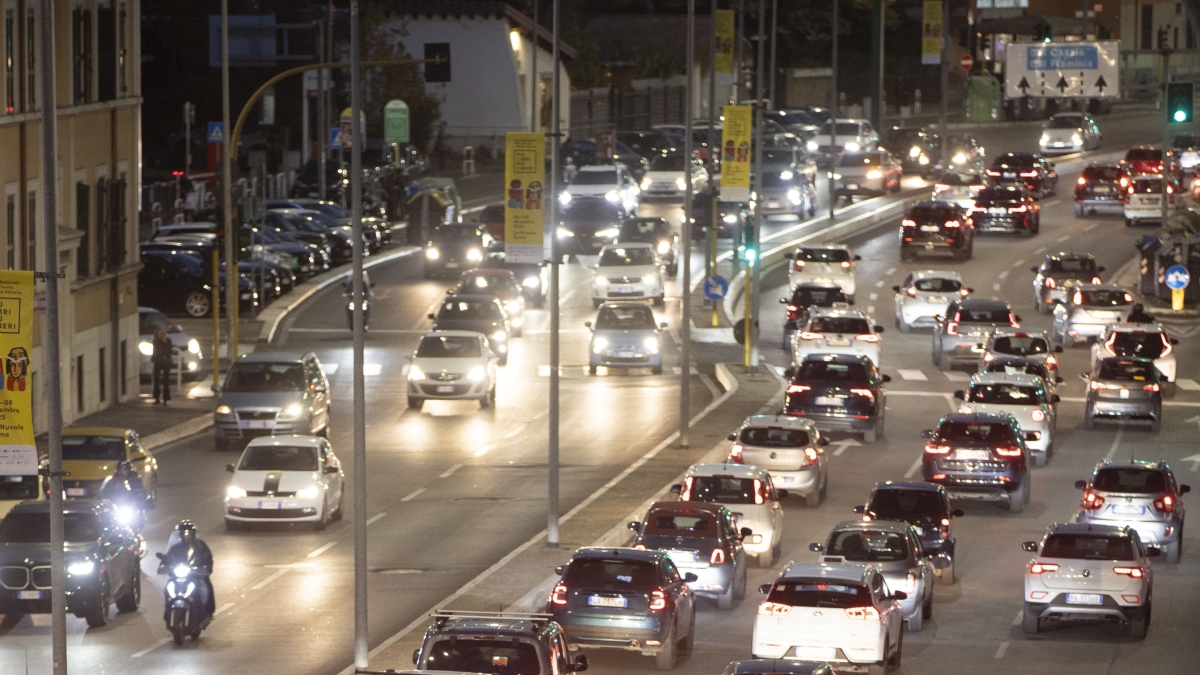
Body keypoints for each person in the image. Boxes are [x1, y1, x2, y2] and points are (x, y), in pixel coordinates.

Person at [161, 521, 216, 620]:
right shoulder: (175, 547)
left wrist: (206, 568)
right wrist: (163, 566)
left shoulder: (200, 546)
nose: (186, 535)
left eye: (188, 533)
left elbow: (207, 557)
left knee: (206, 585)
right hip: (177, 575)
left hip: (195, 575)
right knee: (167, 588)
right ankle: (168, 610)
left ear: (193, 533)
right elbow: (167, 557)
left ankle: (208, 611)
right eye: (183, 533)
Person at [151, 326, 174, 405]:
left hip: (166, 362)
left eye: (161, 333)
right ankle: (156, 397)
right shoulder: (156, 341)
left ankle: (165, 399)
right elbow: (156, 351)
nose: (160, 335)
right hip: (158, 361)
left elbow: (169, 350)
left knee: (166, 380)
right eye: (158, 334)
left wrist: (164, 342)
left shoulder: (168, 340)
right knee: (156, 379)